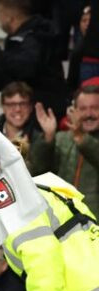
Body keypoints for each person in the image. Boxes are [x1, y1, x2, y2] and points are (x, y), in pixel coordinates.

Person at [0, 0, 68, 120]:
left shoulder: (36, 36)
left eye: (0, 13)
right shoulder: (18, 37)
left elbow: (26, 67)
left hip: (44, 111)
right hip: (27, 108)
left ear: (9, 18)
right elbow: (5, 77)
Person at [30, 85, 99, 219]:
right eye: (83, 109)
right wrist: (48, 138)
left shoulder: (81, 138)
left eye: (95, 108)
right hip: (64, 220)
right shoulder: (61, 139)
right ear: (73, 111)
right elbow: (38, 171)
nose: (89, 114)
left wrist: (81, 138)